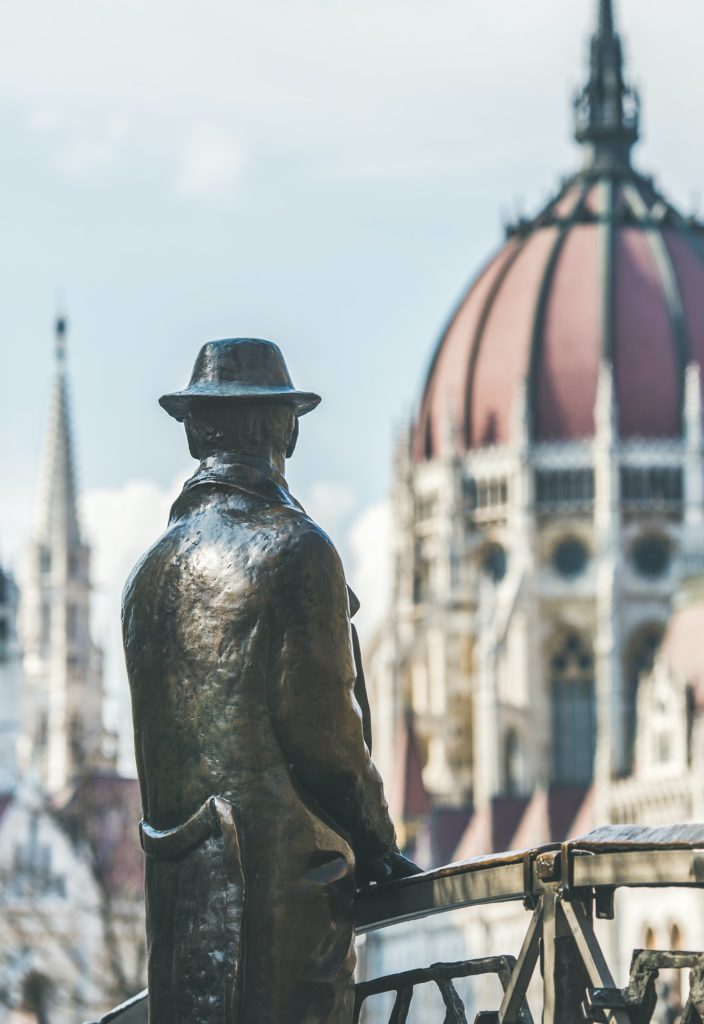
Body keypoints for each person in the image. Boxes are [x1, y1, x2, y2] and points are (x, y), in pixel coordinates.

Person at [122, 338, 419, 1024]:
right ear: (288, 426)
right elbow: (329, 741)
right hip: (284, 908)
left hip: (182, 910)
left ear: (195, 432)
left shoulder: (147, 577)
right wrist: (378, 846)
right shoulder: (295, 549)